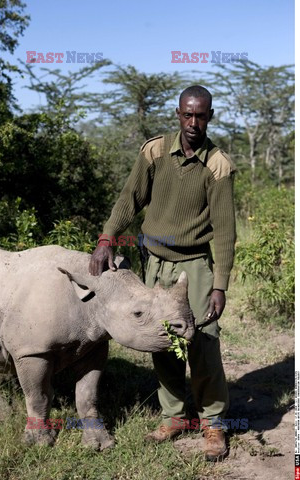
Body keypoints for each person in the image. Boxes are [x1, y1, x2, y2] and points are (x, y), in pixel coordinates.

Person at [89, 85, 236, 462]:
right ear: (177, 114)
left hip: (196, 265)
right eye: (187, 114)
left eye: (200, 115)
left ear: (210, 116)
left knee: (202, 340)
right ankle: (173, 416)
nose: (193, 122)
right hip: (155, 261)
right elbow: (130, 198)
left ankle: (214, 424)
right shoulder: (154, 151)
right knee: (163, 338)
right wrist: (108, 237)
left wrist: (219, 284)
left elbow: (224, 231)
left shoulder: (217, 165)